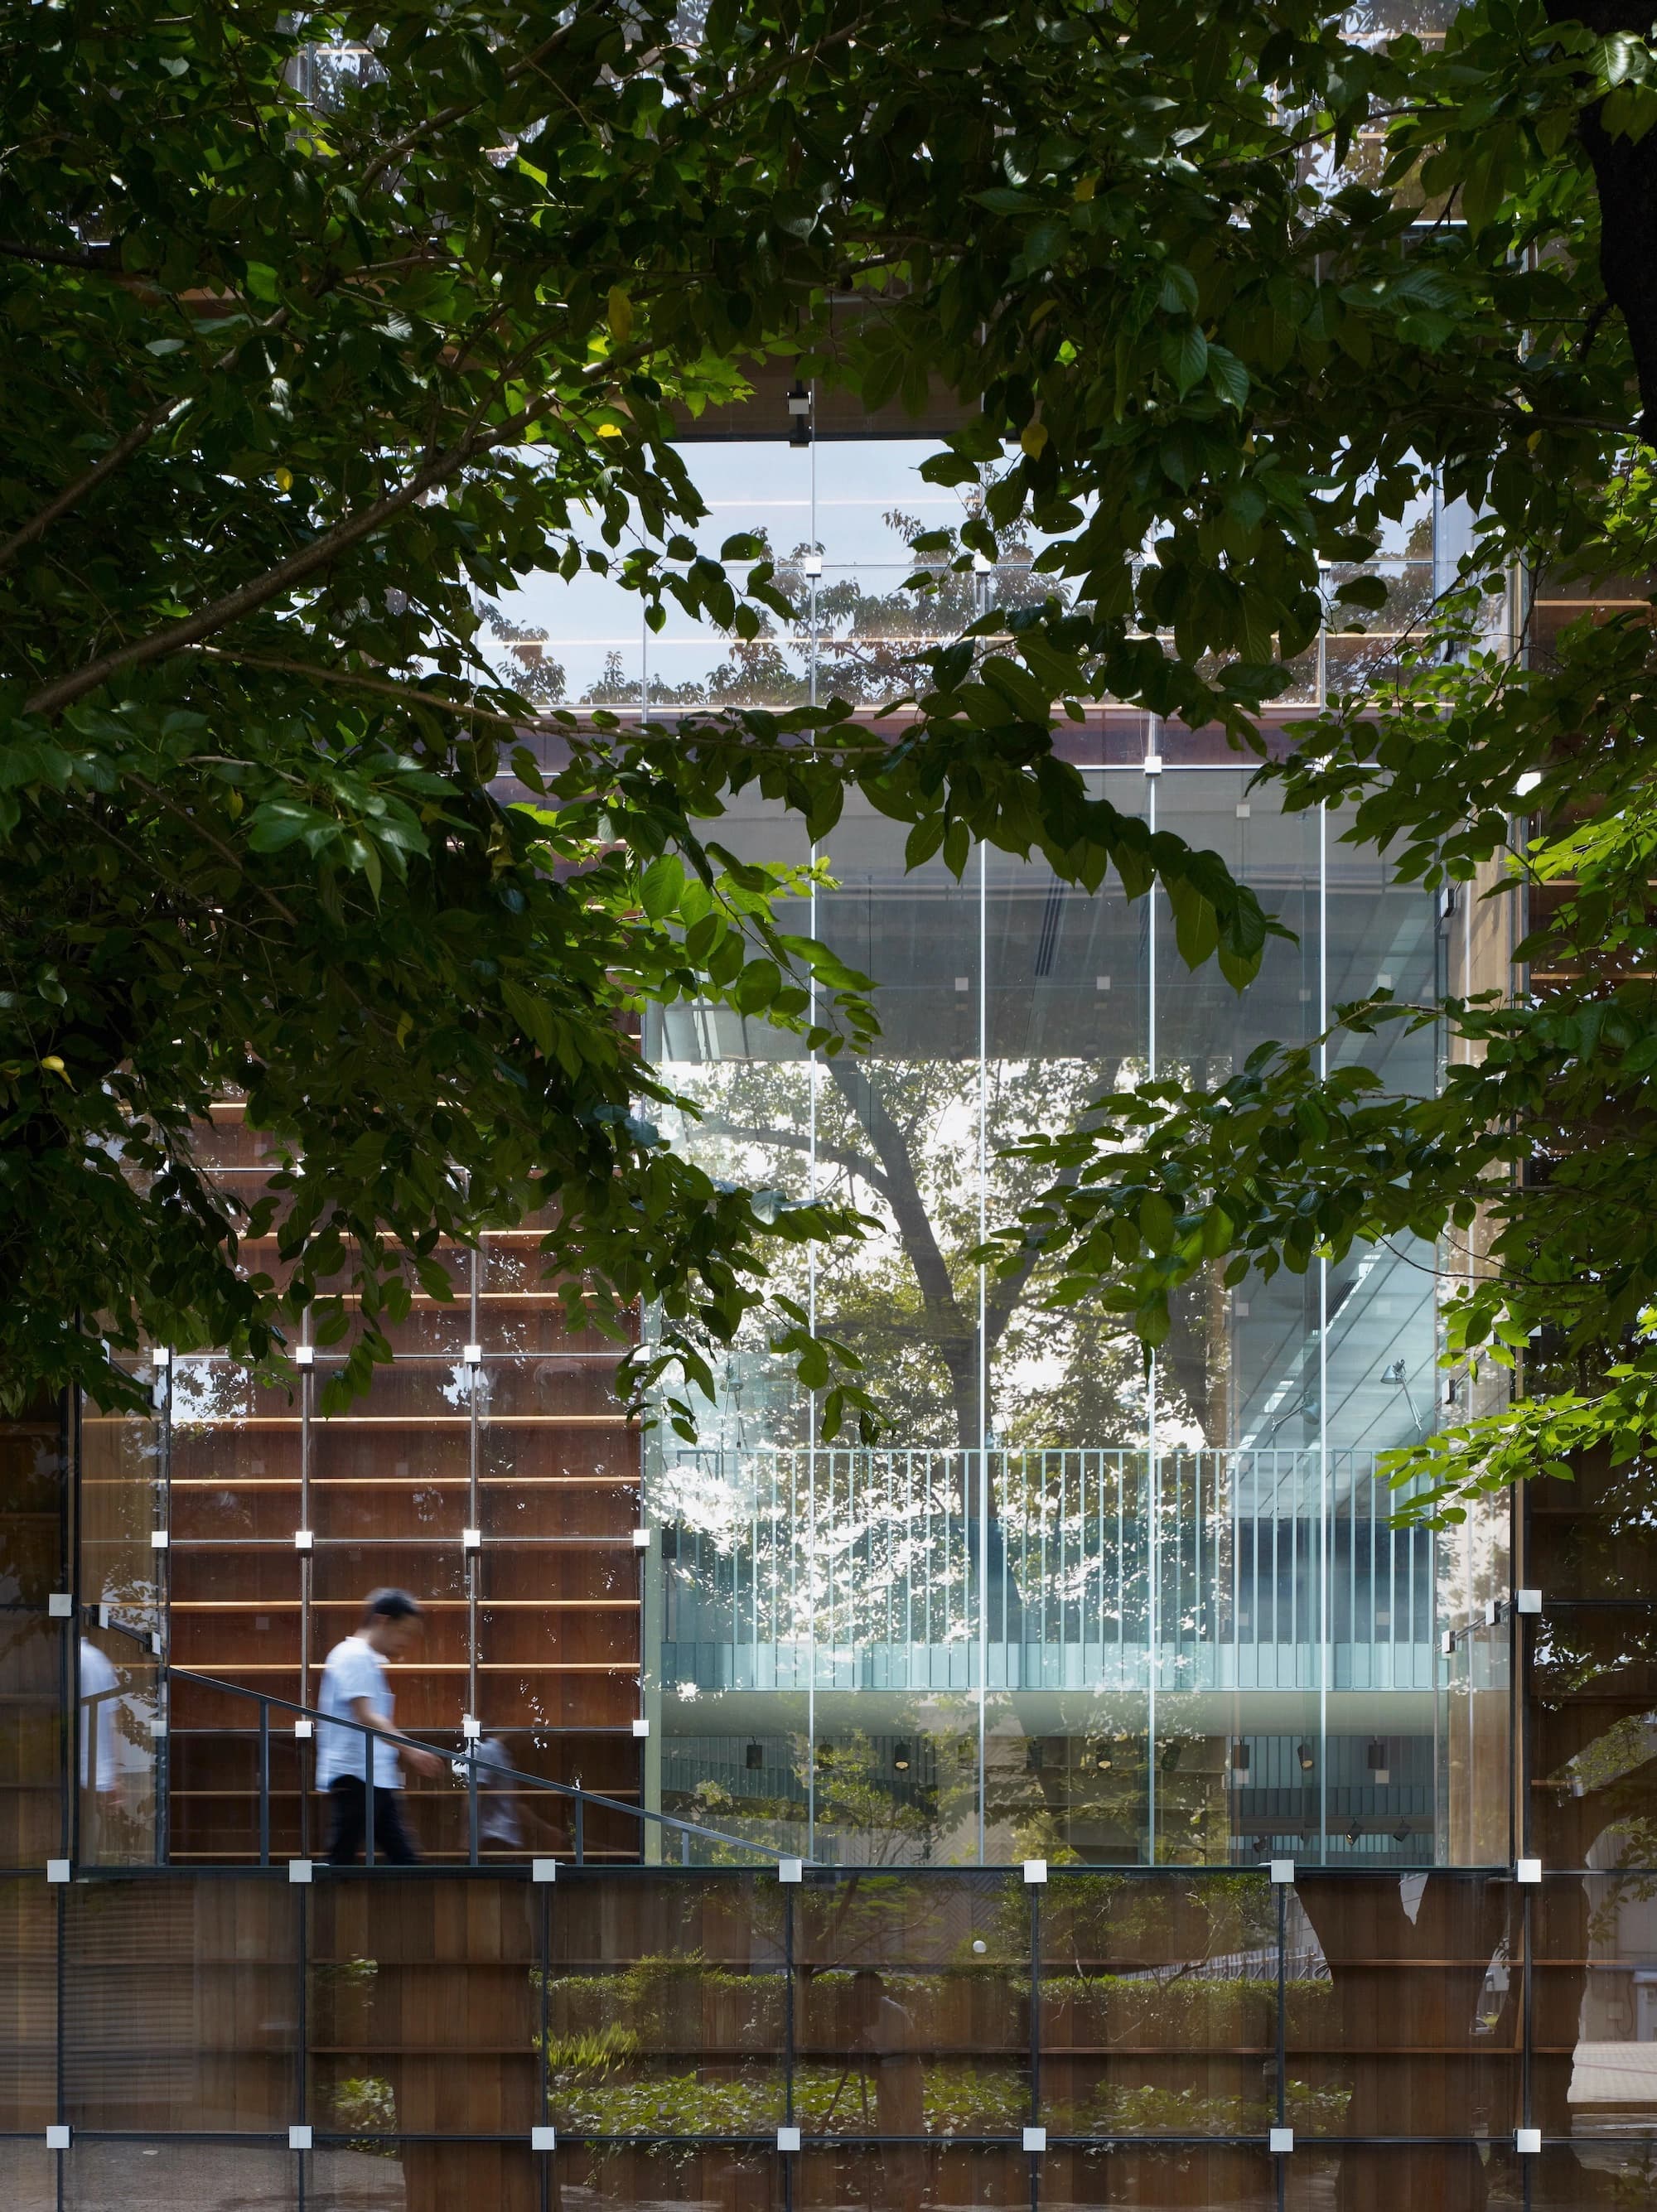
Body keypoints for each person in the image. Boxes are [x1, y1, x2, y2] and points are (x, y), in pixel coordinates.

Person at [316, 1589, 442, 1864]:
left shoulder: (364, 1659)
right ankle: (305, 1889)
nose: (407, 1642)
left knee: (400, 1860)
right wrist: (412, 1751)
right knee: (345, 1860)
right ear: (382, 1621)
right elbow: (367, 1716)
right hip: (356, 1775)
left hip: (371, 1778)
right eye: (404, 1632)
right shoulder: (353, 1656)